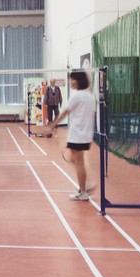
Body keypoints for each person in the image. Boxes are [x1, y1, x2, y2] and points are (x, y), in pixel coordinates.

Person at [50, 71, 96, 201]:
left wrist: (55, 123)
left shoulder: (77, 96)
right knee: (72, 159)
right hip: (85, 134)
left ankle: (83, 192)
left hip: (78, 134)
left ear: (79, 81)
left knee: (79, 162)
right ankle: (87, 184)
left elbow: (66, 111)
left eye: (73, 79)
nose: (71, 82)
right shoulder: (90, 96)